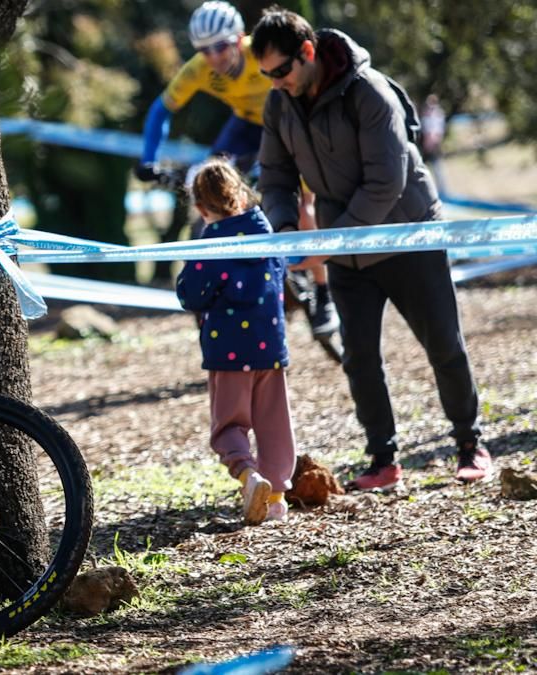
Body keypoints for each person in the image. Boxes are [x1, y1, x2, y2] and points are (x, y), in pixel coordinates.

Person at [250, 7, 490, 489]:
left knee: (443, 344)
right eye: (266, 75)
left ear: (309, 52)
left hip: (408, 234)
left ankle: (471, 443)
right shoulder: (279, 104)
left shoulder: (370, 91)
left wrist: (333, 240)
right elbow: (275, 176)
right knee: (359, 357)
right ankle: (383, 460)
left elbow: (387, 182)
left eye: (281, 70)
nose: (276, 82)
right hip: (347, 248)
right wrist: (284, 228)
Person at [135, 1, 337, 335]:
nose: (214, 57)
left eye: (221, 46)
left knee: (304, 204)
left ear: (240, 37)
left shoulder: (260, 55)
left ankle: (323, 293)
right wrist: (148, 159)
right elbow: (160, 111)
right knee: (209, 188)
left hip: (285, 123)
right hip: (245, 127)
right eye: (204, 50)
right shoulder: (199, 68)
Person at [177, 159, 296, 525]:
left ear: (201, 208)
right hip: (271, 347)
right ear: (241, 193)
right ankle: (275, 498)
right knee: (274, 423)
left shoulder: (211, 245)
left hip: (227, 351)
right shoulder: (267, 234)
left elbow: (190, 295)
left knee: (229, 426)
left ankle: (249, 476)